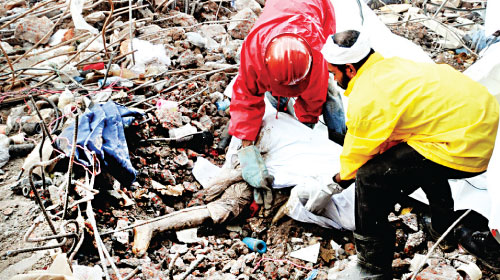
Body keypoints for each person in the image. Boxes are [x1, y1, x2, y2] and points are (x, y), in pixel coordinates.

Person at [319, 29, 499, 279]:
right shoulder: (392, 66)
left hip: (469, 145)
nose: (334, 79)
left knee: (371, 177)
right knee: (416, 156)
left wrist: (333, 184)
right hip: (484, 126)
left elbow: (358, 157)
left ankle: (371, 267)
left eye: (334, 72)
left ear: (349, 69)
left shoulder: (368, 97)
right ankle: (441, 226)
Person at [229, 0, 347, 210]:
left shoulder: (318, 54)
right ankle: (283, 110)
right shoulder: (254, 52)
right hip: (280, 8)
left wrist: (305, 134)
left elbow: (313, 99)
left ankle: (340, 138)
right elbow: (246, 98)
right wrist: (247, 150)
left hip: (317, 7)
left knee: (328, 92)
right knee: (275, 101)